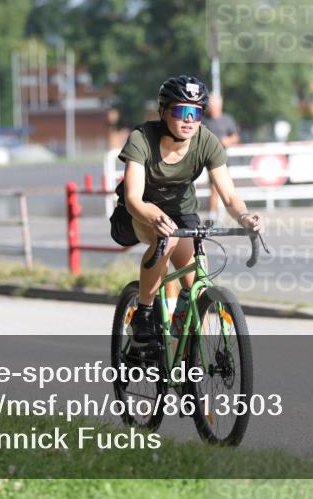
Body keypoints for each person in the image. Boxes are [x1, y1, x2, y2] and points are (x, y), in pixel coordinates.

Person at [110, 75, 262, 346]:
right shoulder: (141, 138)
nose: (190, 119)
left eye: (197, 112)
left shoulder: (206, 141)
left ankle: (190, 365)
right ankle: (144, 313)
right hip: (142, 211)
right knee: (165, 240)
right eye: (182, 111)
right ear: (164, 112)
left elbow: (228, 195)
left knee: (197, 288)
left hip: (182, 212)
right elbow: (133, 197)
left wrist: (244, 216)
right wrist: (153, 216)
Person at [202, 92, 240, 218]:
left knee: (226, 188)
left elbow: (235, 136)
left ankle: (224, 215)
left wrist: (228, 140)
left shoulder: (227, 120)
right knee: (214, 189)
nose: (212, 107)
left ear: (220, 105)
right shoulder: (205, 120)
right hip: (209, 159)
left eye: (215, 105)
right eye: (211, 105)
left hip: (223, 159)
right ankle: (212, 216)